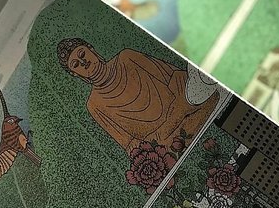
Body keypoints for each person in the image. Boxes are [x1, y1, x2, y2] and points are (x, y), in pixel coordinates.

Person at [57, 37, 219, 154]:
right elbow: (130, 144)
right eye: (76, 64)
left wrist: (181, 97)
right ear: (75, 74)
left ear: (92, 50)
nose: (84, 63)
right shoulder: (94, 105)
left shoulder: (126, 57)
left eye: (82, 54)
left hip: (176, 102)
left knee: (189, 88)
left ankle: (192, 101)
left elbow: (171, 75)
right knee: (161, 147)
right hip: (164, 136)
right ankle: (191, 103)